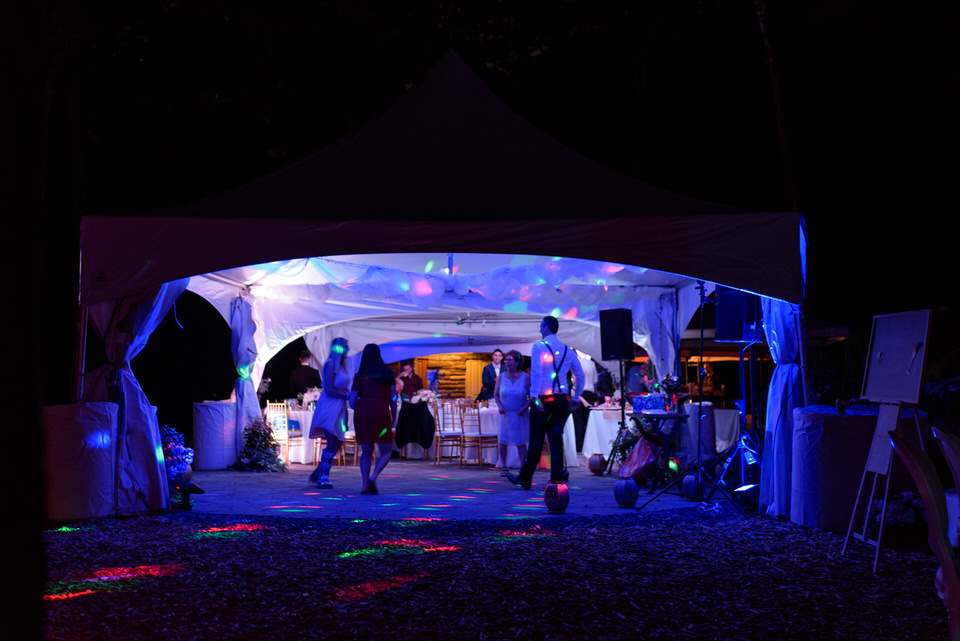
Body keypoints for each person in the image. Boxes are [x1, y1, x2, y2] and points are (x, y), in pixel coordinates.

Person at [507, 316, 583, 490]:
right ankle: (557, 477)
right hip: (561, 400)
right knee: (555, 438)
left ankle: (525, 478)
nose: (540, 330)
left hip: (543, 399)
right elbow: (580, 374)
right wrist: (577, 396)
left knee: (536, 439)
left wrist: (534, 397)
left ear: (547, 328)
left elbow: (537, 373)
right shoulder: (567, 350)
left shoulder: (539, 347)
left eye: (541, 327)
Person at [351, 344, 398, 495]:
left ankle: (365, 486)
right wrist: (394, 417)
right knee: (386, 450)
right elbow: (393, 398)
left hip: (363, 412)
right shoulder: (387, 374)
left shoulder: (359, 375)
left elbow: (351, 401)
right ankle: (373, 476)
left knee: (366, 451)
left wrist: (360, 405)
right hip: (381, 412)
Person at [308, 338, 352, 488]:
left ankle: (318, 472)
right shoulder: (330, 364)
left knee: (338, 441)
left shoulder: (343, 366)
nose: (346, 349)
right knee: (332, 441)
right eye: (344, 347)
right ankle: (324, 477)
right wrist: (347, 395)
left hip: (339, 406)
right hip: (329, 406)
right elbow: (329, 389)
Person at [493, 350, 531, 475]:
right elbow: (496, 394)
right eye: (506, 360)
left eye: (510, 360)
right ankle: (504, 466)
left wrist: (525, 407)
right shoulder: (501, 377)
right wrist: (499, 406)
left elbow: (532, 396)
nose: (507, 362)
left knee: (520, 441)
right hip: (505, 413)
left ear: (517, 362)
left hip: (520, 413)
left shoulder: (525, 377)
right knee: (503, 440)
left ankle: (522, 466)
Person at [571, 350, 599, 452]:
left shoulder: (573, 363)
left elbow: (572, 381)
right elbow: (595, 380)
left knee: (578, 421)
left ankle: (579, 447)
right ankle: (589, 446)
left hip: (577, 393)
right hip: (589, 393)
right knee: (588, 421)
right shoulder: (591, 363)